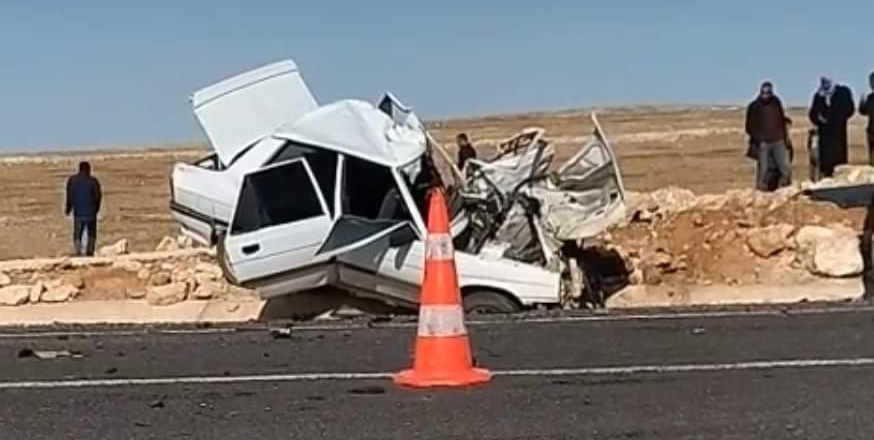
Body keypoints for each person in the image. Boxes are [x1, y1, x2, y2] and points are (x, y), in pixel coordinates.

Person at [744, 81, 792, 191]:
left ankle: (783, 190)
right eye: (763, 93)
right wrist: (759, 140)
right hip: (763, 143)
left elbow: (780, 118)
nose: (765, 95)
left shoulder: (776, 103)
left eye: (768, 93)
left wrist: (785, 134)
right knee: (764, 170)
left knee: (785, 168)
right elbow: (749, 126)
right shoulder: (754, 106)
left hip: (778, 140)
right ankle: (762, 191)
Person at [808, 76, 855, 177]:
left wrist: (837, 116)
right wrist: (819, 119)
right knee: (826, 167)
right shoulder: (818, 96)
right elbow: (812, 114)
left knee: (840, 166)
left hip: (838, 134)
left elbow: (850, 109)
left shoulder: (843, 92)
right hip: (825, 137)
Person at [64, 161, 102, 256]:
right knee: (91, 234)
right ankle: (90, 252)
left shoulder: (72, 181)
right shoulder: (93, 181)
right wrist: (96, 209)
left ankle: (78, 252)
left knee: (77, 235)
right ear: (88, 169)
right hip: (91, 213)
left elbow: (69, 196)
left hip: (78, 212)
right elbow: (98, 197)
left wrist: (68, 208)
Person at [860, 71, 874, 166]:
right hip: (871, 130)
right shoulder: (869, 98)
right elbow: (863, 112)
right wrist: (862, 102)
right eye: (871, 82)